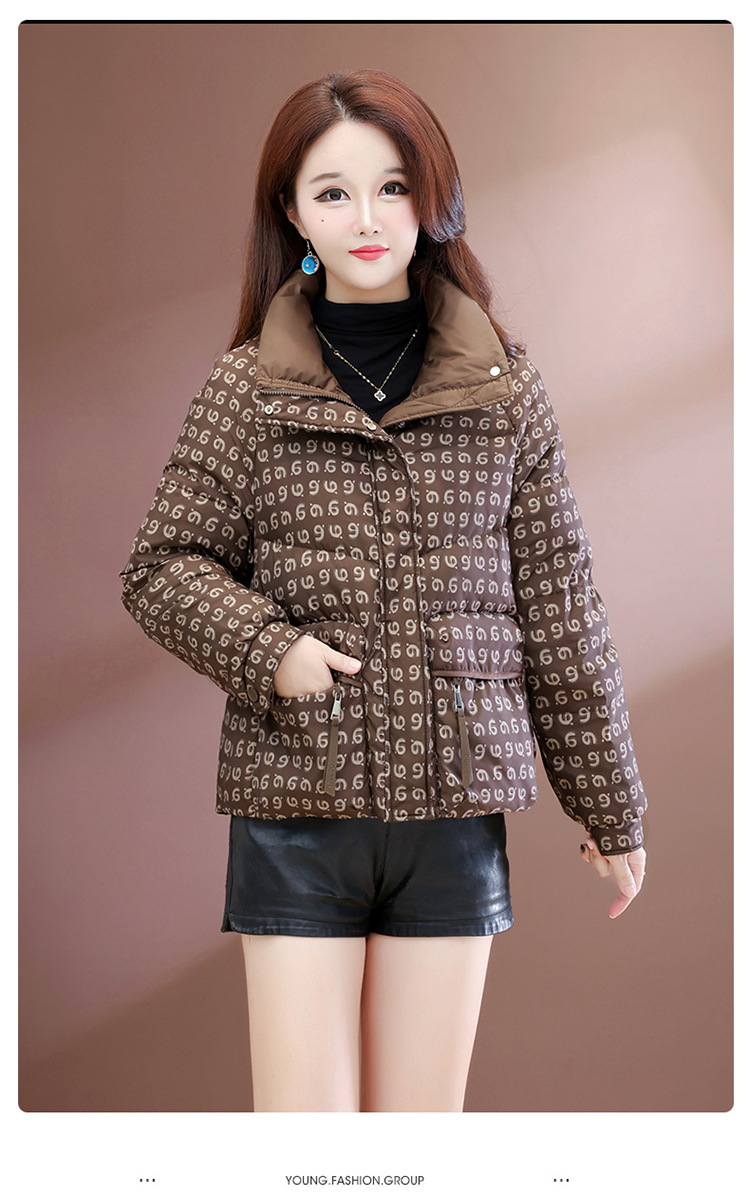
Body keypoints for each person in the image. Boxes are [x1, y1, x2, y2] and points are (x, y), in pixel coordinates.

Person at [119, 69, 647, 1113]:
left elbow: (562, 610)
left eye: (392, 187)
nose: (366, 218)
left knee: (415, 1152)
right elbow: (161, 566)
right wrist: (272, 649)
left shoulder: (504, 393)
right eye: (334, 192)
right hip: (294, 818)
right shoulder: (247, 390)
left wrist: (612, 807)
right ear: (293, 213)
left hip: (453, 820)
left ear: (431, 199)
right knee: (308, 1156)